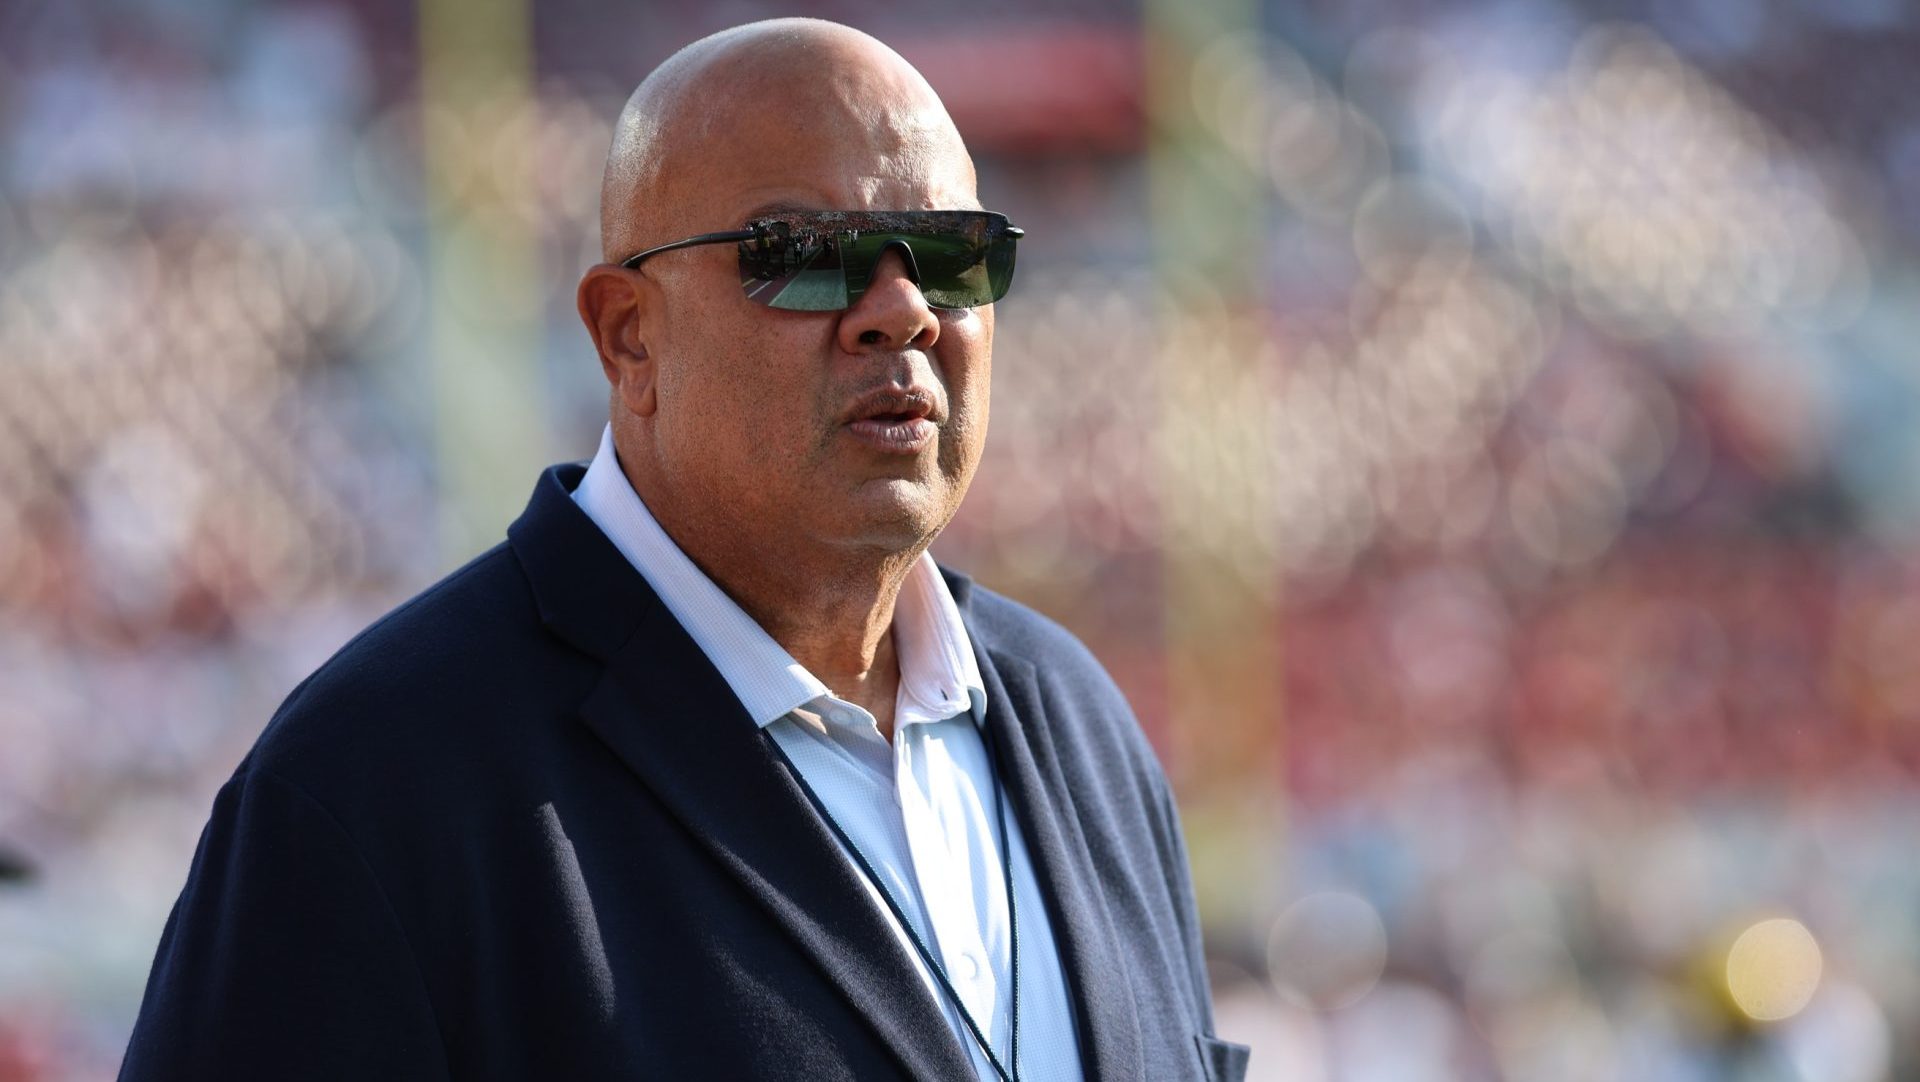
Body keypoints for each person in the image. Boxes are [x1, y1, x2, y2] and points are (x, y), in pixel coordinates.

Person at [120, 18, 1246, 1082]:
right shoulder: (379, 782)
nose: (901, 310)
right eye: (807, 251)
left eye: (954, 254)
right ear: (629, 336)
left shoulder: (1074, 724)